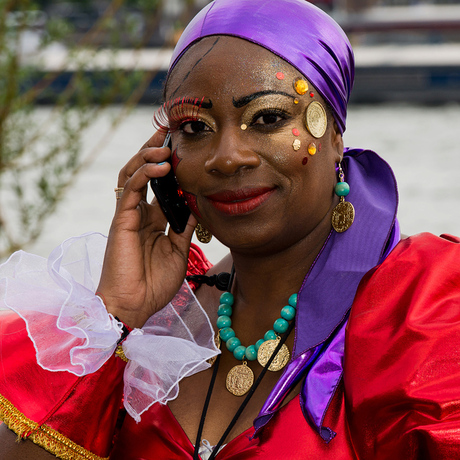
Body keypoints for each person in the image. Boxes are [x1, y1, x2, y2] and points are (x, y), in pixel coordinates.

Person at [1, 0, 460, 459]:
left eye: (267, 118)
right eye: (195, 127)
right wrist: (116, 316)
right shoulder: (151, 322)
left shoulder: (423, 309)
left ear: (335, 134)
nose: (227, 156)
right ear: (165, 155)